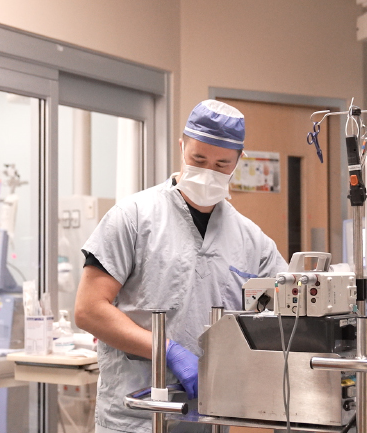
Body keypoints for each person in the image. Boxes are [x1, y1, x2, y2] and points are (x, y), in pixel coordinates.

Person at [74, 100, 288, 433]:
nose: (208, 172)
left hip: (209, 415)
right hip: (136, 415)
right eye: (198, 159)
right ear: (181, 145)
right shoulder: (132, 217)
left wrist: (339, 330)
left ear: (238, 162)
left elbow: (291, 305)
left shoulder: (252, 241)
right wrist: (168, 351)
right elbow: (88, 310)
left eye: (221, 164)